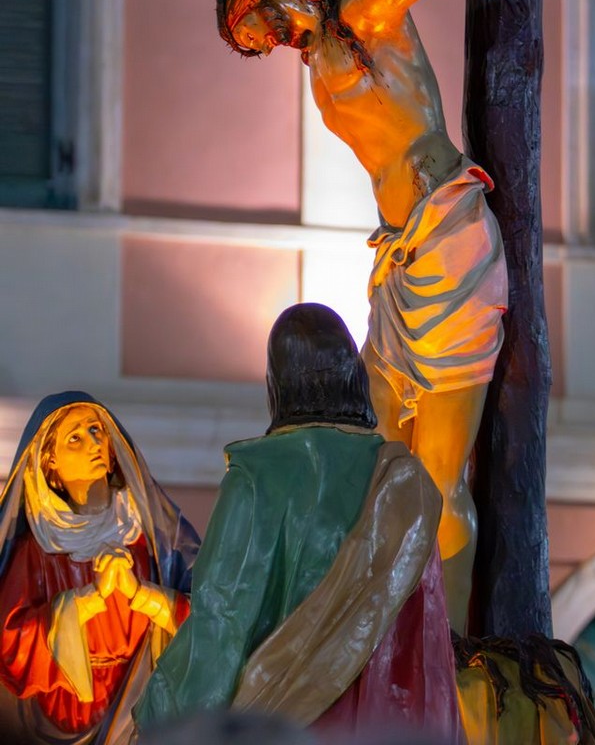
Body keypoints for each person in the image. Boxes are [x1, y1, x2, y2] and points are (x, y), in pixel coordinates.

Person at [216, 0, 586, 627]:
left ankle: (448, 652)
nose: (273, 45)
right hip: (399, 256)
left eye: (263, 28)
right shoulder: (329, 38)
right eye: (260, 46)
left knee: (439, 478)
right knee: (382, 468)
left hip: (449, 242)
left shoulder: (367, 12)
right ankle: (386, 634)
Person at [133, 303, 462, 741]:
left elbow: (222, 618)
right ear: (353, 376)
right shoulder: (407, 485)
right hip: (387, 726)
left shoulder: (258, 477)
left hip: (282, 726)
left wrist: (161, 716)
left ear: (278, 384)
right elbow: (427, 643)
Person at [0, 391, 199, 744]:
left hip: (140, 706)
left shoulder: (152, 537)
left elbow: (211, 614)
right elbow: (11, 644)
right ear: (50, 462)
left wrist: (143, 595)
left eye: (96, 430)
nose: (93, 442)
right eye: (74, 438)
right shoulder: (38, 548)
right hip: (60, 716)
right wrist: (90, 599)